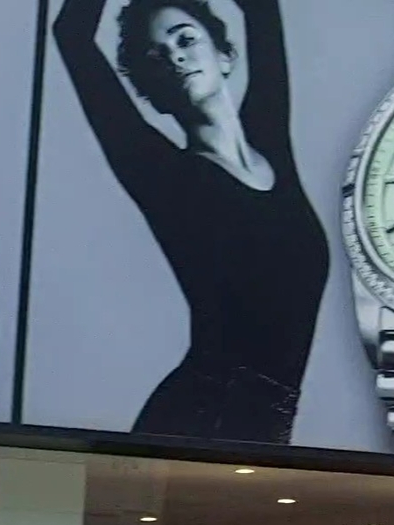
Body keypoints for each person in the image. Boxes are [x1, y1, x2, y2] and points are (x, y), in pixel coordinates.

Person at [54, 0, 326, 443]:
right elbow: (72, 35)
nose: (176, 55)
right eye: (156, 56)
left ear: (224, 56)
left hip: (265, 423)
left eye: (185, 39)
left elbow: (262, 10)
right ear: (152, 92)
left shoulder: (271, 140)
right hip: (202, 417)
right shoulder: (160, 173)